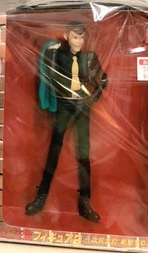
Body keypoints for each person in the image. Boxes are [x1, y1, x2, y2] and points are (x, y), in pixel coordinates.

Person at [25, 21, 107, 222]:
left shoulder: (89, 57)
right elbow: (45, 71)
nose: (78, 41)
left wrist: (91, 98)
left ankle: (85, 202)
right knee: (54, 151)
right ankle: (41, 197)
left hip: (82, 106)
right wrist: (49, 50)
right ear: (66, 36)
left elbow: (104, 79)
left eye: (81, 37)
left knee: (83, 153)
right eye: (74, 37)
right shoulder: (58, 54)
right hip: (63, 105)